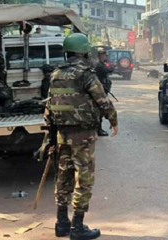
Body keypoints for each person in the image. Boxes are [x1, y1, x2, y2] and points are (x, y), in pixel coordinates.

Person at [47, 33, 118, 240]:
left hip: (61, 134)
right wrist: (113, 120)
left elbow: (49, 105)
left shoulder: (55, 74)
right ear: (84, 52)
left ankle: (61, 223)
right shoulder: (86, 74)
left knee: (64, 176)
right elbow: (102, 100)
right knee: (84, 179)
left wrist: (51, 133)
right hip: (83, 135)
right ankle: (77, 227)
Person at [95, 48, 114, 137]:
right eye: (105, 55)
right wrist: (112, 66)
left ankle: (98, 128)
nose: (106, 57)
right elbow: (108, 70)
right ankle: (98, 129)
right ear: (101, 56)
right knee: (101, 111)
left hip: (103, 91)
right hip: (100, 92)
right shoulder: (99, 65)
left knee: (101, 110)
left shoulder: (101, 64)